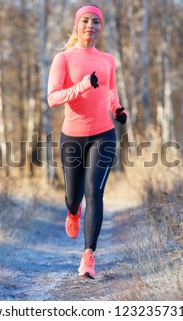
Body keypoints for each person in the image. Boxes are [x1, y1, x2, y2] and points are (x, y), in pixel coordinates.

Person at [47, 4, 127, 279]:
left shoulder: (107, 59)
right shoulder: (64, 59)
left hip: (103, 134)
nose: (90, 26)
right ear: (77, 25)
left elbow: (110, 90)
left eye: (96, 22)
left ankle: (88, 257)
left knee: (95, 191)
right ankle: (72, 213)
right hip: (73, 137)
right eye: (85, 21)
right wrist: (81, 85)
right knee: (74, 197)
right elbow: (53, 98)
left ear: (100, 28)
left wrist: (117, 109)